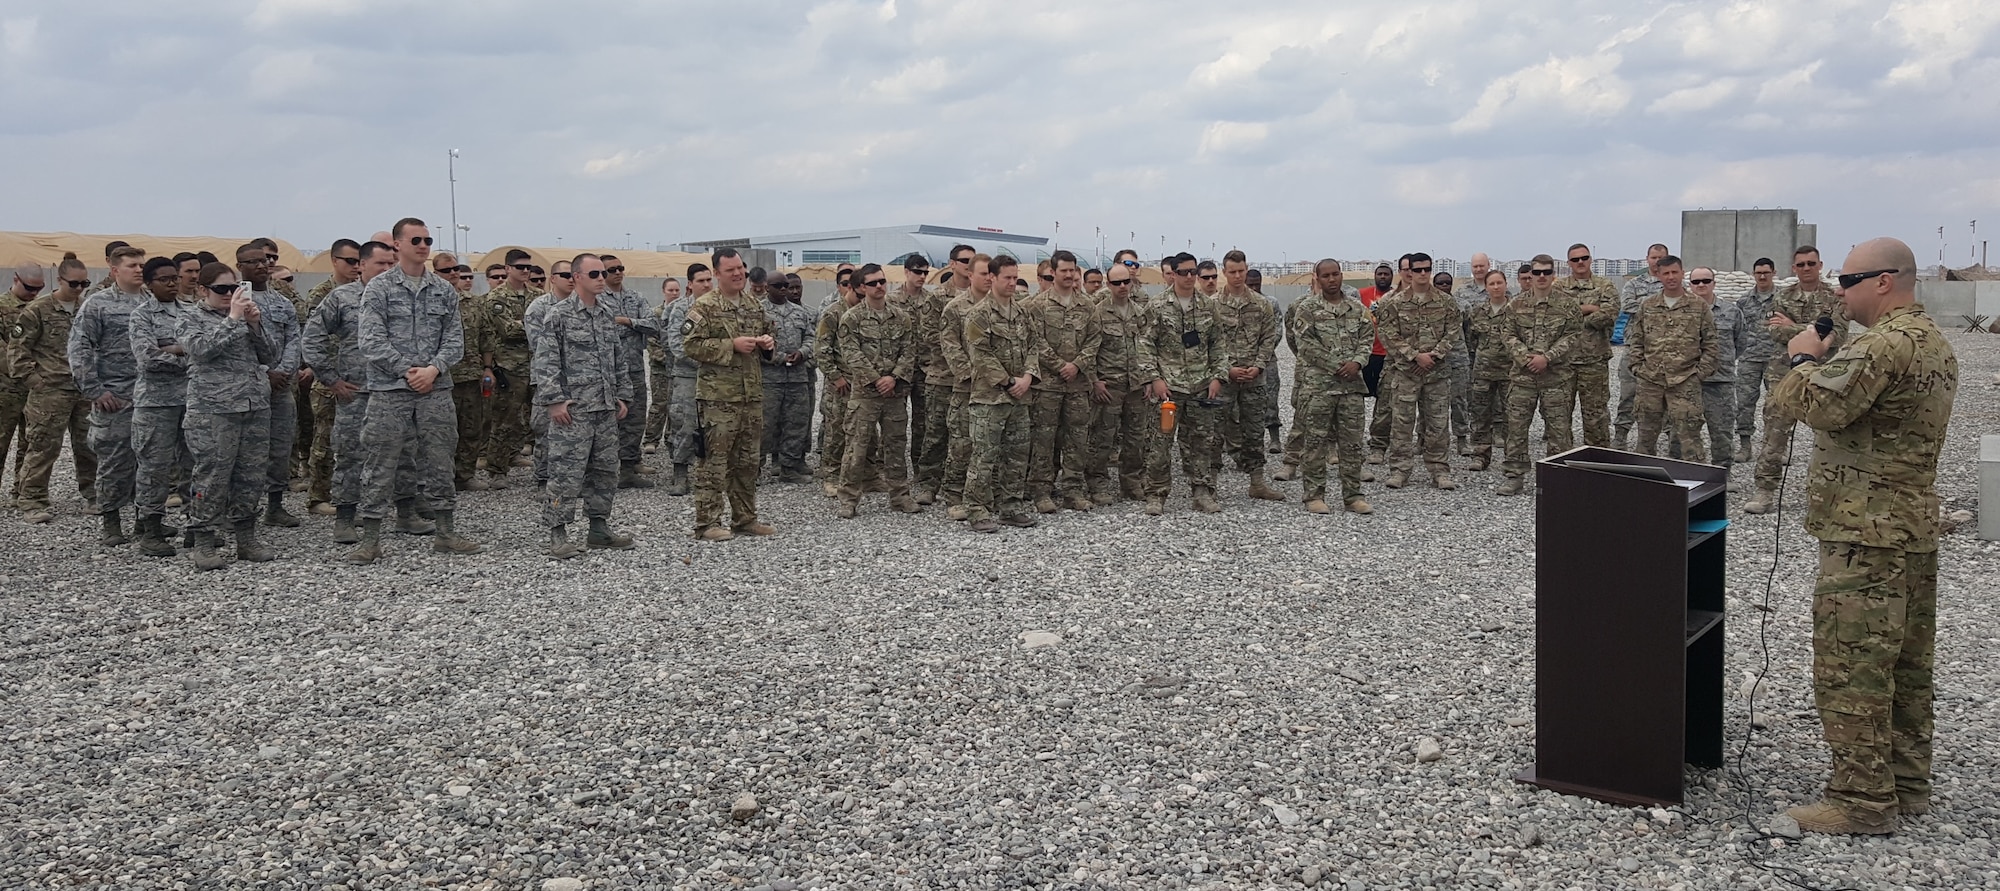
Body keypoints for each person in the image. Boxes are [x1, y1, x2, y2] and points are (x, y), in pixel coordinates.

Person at [1767, 237, 1956, 835]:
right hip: (1909, 528)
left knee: (1852, 666)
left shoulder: (1885, 343)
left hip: (1866, 532)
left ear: (1883, 282)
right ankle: (1904, 782)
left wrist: (1801, 357)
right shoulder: (1931, 341)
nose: (1837, 293)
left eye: (1847, 282)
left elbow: (1817, 405)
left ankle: (1861, 801)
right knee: (1904, 662)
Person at [347, 219, 483, 562]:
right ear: (397, 245)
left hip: (435, 389)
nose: (423, 246)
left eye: (428, 240)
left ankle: (445, 532)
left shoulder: (443, 290)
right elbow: (371, 341)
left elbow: (455, 341)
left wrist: (433, 369)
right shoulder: (378, 289)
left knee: (439, 458)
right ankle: (371, 539)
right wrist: (409, 372)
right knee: (381, 461)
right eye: (416, 240)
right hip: (390, 390)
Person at [302, 240, 408, 544]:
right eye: (380, 264)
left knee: (404, 453)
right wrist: (331, 378)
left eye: (391, 264)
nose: (387, 270)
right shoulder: (343, 298)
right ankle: (345, 518)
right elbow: (311, 338)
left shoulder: (401, 295)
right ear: (361, 265)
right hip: (357, 391)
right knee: (349, 454)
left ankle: (405, 512)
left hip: (396, 390)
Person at [531, 254, 636, 557]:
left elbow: (618, 358)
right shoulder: (558, 315)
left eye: (603, 273)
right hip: (573, 410)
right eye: (594, 274)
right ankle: (557, 533)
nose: (601, 278)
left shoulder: (605, 313)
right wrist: (553, 401)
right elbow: (546, 361)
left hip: (603, 408)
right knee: (565, 473)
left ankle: (599, 529)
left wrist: (622, 395)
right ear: (577, 277)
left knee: (605, 471)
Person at [178, 262, 279, 569]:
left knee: (251, 475)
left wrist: (255, 325)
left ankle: (246, 539)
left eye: (234, 288)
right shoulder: (190, 317)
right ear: (203, 290)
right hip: (213, 411)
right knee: (211, 476)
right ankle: (204, 541)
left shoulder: (245, 315)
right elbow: (200, 350)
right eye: (221, 290)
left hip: (253, 406)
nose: (229, 295)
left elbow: (270, 355)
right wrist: (233, 319)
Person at [1746, 245, 1848, 514]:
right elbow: (1774, 332)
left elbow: (1837, 334)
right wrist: (1814, 328)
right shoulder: (1783, 295)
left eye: (1810, 264)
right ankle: (1765, 490)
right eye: (1800, 264)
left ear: (1820, 265)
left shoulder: (1835, 297)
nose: (1806, 268)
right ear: (1793, 268)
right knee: (1774, 435)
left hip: (1825, 374)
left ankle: (1828, 495)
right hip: (1784, 374)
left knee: (1829, 436)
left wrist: (1793, 327)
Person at [682, 248, 775, 541]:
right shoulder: (705, 306)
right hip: (718, 398)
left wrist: (768, 345)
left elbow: (769, 337)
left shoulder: (754, 305)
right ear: (717, 274)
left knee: (748, 461)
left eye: (741, 269)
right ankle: (707, 523)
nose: (738, 274)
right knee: (714, 462)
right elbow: (690, 345)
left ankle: (745, 518)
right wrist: (730, 345)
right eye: (731, 270)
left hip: (751, 395)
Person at [70, 244, 148, 544]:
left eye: (141, 264)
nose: (139, 269)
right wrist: (94, 389)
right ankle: (112, 522)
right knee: (115, 461)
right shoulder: (98, 304)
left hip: (148, 396)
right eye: (132, 265)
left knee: (150, 461)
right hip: (114, 396)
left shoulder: (151, 302)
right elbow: (79, 348)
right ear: (115, 270)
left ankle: (146, 520)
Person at [13, 254, 97, 523]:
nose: (79, 288)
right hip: (50, 391)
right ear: (59, 280)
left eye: (85, 283)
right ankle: (32, 499)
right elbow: (18, 350)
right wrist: (34, 381)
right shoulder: (38, 310)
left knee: (89, 445)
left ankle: (94, 494)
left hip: (83, 389)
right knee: (43, 447)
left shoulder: (87, 309)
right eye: (74, 283)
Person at [1139, 253, 1223, 515]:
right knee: (1161, 443)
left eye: (1193, 272)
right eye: (1183, 272)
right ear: (1172, 274)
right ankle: (1156, 494)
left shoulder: (1208, 307)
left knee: (1201, 442)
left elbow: (1218, 344)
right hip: (1168, 388)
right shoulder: (1157, 306)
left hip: (1200, 386)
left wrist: (1217, 376)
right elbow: (1144, 344)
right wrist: (1154, 378)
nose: (1189, 277)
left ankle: (1201, 491)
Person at [1289, 259, 1375, 515]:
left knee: (1352, 444)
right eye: (1325, 275)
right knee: (1315, 443)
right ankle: (1314, 495)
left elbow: (1367, 339)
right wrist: (1338, 365)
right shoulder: (1307, 309)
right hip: (1319, 387)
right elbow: (1305, 345)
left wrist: (1358, 362)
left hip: (1351, 387)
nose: (1331, 279)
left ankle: (1353, 496)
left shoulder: (1357, 309)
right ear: (1317, 278)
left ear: (1341, 275)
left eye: (1335, 274)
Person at [833, 264, 920, 516]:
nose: (879, 286)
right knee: (857, 448)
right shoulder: (852, 318)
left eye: (882, 281)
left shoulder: (901, 317)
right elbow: (851, 354)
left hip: (893, 394)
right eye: (873, 283)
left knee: (895, 445)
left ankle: (900, 496)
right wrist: (875, 379)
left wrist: (892, 378)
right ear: (861, 287)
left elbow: (909, 350)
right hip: (865, 394)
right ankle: (848, 499)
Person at [961, 256, 1039, 532]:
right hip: (989, 399)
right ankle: (976, 509)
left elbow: (1033, 347)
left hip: (1019, 397)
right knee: (984, 456)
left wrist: (1028, 377)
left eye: (1015, 277)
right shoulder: (978, 315)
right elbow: (980, 355)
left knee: (1017, 454)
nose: (1011, 282)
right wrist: (1008, 382)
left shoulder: (1022, 313)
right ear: (992, 277)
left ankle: (1011, 506)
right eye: (1006, 277)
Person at [1373, 252, 1462, 490]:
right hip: (1406, 372)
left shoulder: (1445, 301)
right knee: (1402, 423)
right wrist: (1414, 356)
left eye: (1427, 269)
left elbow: (1453, 331)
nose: (1423, 273)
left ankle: (1439, 470)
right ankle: (1400, 470)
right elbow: (1388, 333)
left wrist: (1434, 355)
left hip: (1436, 373)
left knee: (1438, 423)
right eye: (1418, 269)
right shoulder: (1394, 302)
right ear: (1409, 271)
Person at [230, 243, 303, 528]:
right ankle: (238, 508)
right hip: (246, 388)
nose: (261, 266)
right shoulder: (233, 302)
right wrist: (264, 373)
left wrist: (284, 371)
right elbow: (236, 344)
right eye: (253, 262)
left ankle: (275, 505)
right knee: (243, 450)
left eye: (265, 261)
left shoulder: (282, 302)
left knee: (280, 447)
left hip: (281, 387)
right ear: (240, 266)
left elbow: (294, 338)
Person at [1023, 250, 1101, 512]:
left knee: (1077, 438)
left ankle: (1073, 490)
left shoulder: (1088, 305)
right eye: (1064, 270)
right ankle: (1041, 491)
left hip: (1078, 386)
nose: (1069, 275)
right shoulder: (1038, 305)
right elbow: (1035, 341)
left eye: (1072, 270)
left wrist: (1077, 365)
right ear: (1053, 272)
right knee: (1044, 438)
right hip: (1048, 386)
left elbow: (1094, 339)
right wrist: (1059, 366)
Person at [126, 256, 194, 555]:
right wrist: (184, 355)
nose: (171, 284)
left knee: (195, 465)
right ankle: (151, 529)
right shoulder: (142, 316)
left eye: (174, 278)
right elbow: (148, 358)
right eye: (163, 279)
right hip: (155, 404)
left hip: (191, 401)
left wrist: (177, 350)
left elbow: (202, 350)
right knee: (154, 469)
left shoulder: (191, 312)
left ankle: (198, 526)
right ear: (149, 283)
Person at [1497, 255, 1581, 495]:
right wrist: (1526, 357)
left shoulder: (1568, 305)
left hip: (1556, 378)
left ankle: (1557, 478)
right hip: (1523, 378)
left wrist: (1548, 357)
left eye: (1546, 272)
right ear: (1530, 275)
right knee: (1516, 428)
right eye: (1537, 272)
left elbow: (1574, 335)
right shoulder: (1515, 305)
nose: (1541, 277)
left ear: (1554, 274)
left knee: (1559, 430)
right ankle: (1514, 475)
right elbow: (1507, 334)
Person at [1626, 256, 1717, 461]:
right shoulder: (1647, 305)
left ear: (1682, 273)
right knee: (1646, 439)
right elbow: (1636, 340)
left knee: (1690, 439)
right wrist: (1637, 368)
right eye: (1666, 273)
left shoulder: (1698, 306)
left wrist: (1698, 374)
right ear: (1658, 275)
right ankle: (1646, 484)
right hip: (1650, 381)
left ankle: (1694, 485)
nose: (1671, 277)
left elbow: (1711, 344)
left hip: (1685, 381)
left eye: (1675, 272)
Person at [1211, 251, 1283, 500]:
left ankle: (1257, 483)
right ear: (1224, 273)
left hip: (1255, 378)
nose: (1238, 276)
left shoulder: (1261, 304)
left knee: (1254, 432)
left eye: (1241, 271)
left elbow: (1268, 337)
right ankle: (1209, 486)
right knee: (1215, 432)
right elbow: (1209, 342)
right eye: (1232, 272)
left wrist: (1259, 365)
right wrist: (1226, 368)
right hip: (1223, 379)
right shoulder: (1213, 304)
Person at [301, 239, 362, 512]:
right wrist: (327, 375)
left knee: (352, 442)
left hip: (355, 378)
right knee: (324, 440)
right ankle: (318, 496)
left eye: (359, 261)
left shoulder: (364, 292)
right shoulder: (323, 293)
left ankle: (351, 494)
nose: (355, 266)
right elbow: (312, 338)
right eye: (350, 261)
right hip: (329, 380)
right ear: (335, 261)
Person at [1086, 264, 1151, 504]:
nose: (1122, 287)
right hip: (1109, 386)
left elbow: (1147, 349)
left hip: (1136, 385)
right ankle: (1097, 483)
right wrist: (1094, 381)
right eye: (1116, 283)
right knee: (1102, 437)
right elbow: (1089, 349)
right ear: (1108, 284)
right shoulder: (1098, 313)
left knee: (1135, 438)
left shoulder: (1140, 313)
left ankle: (1131, 482)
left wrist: (1148, 379)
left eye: (1126, 282)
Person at [935, 253, 991, 519]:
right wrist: (971, 375)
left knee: (990, 445)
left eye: (992, 273)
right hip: (967, 387)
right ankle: (954, 494)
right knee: (961, 443)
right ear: (970, 275)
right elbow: (950, 346)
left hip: (995, 390)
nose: (989, 278)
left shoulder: (1003, 307)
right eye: (983, 273)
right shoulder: (956, 308)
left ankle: (984, 494)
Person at [480, 249, 540, 489]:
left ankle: (537, 466)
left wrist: (526, 324)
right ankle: (497, 469)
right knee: (506, 419)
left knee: (536, 420)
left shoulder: (538, 295)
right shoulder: (496, 298)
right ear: (507, 269)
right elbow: (508, 331)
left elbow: (549, 323)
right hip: (510, 367)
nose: (525, 271)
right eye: (519, 267)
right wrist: (532, 324)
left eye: (528, 267)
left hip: (536, 365)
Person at [596, 254, 657, 488]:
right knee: (608, 421)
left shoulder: (635, 297)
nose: (618, 273)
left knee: (635, 419)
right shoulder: (598, 300)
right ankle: (605, 470)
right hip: (607, 371)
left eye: (620, 268)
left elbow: (653, 325)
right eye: (611, 270)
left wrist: (627, 322)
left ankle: (629, 467)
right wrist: (633, 323)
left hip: (634, 369)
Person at [1553, 243, 1620, 448]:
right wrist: (1590, 308)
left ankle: (1598, 461)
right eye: (1575, 259)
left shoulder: (1605, 286)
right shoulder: (1558, 288)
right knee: (1559, 417)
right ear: (1569, 263)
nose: (1580, 262)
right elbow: (1556, 317)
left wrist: (1578, 314)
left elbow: (1609, 315)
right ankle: (1561, 462)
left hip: (1594, 361)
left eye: (1584, 258)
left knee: (1596, 416)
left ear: (1591, 259)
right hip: (1563, 362)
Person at [1691, 267, 1748, 486]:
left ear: (1714, 283)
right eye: (1696, 282)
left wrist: (1721, 363)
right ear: (1691, 285)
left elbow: (1740, 342)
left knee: (1722, 432)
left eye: (1706, 280)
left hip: (1720, 382)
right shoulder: (1682, 311)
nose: (1701, 285)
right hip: (1689, 382)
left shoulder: (1731, 312)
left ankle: (1723, 474)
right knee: (1683, 433)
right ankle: (1688, 474)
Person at [906, 255, 955, 504]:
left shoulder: (980, 297)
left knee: (931, 426)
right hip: (925, 372)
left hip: (952, 374)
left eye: (925, 272)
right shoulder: (936, 297)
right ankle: (924, 481)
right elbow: (929, 334)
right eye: (917, 271)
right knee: (929, 432)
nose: (922, 276)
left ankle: (946, 481)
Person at [448, 253, 498, 492]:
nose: (454, 275)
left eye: (457, 270)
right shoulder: (434, 301)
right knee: (444, 431)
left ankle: (464, 475)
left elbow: (486, 336)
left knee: (472, 427)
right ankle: (441, 478)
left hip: (471, 375)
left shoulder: (474, 303)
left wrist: (487, 368)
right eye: (448, 270)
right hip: (441, 378)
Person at [760, 272, 817, 484]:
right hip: (769, 379)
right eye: (778, 285)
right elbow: (757, 344)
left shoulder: (799, 312)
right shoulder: (758, 311)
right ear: (767, 287)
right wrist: (781, 358)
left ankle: (789, 467)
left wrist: (802, 353)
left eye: (786, 285)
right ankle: (755, 468)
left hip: (797, 377)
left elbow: (811, 337)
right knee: (764, 425)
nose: (784, 289)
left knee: (796, 423)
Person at [1614, 243, 1670, 448]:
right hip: (1635, 347)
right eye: (1653, 257)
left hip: (1663, 349)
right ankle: (1620, 437)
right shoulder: (1634, 283)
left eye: (1660, 257)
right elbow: (1627, 305)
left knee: (1665, 397)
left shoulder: (1672, 284)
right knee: (1628, 394)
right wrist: (1657, 301)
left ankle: (1668, 439)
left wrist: (1646, 303)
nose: (1657, 261)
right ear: (1647, 259)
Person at [661, 263, 711, 495]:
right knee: (686, 424)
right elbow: (677, 345)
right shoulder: (681, 309)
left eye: (709, 280)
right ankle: (680, 472)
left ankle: (711, 472)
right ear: (690, 284)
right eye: (701, 281)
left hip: (717, 378)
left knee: (715, 424)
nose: (707, 285)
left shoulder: (718, 307)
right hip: (688, 376)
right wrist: (705, 362)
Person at [812, 267, 861, 496]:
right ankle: (831, 475)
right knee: (836, 430)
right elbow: (822, 349)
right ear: (848, 288)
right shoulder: (833, 313)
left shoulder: (866, 311)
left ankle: (862, 474)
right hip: (841, 382)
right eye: (859, 294)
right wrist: (835, 377)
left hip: (862, 382)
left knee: (862, 430)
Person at [1, 261, 45, 503]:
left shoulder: (42, 308)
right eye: (29, 287)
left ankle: (23, 491)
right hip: (6, 388)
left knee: (30, 443)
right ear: (16, 279)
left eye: (39, 289)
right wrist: (24, 371)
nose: (34, 293)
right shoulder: (1, 307)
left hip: (35, 388)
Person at [1463, 269, 1514, 472]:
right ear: (1486, 287)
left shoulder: (1516, 310)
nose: (1495, 287)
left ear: (1505, 284)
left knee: (1513, 415)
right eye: (1491, 284)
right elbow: (1471, 339)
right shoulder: (1477, 312)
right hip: (1483, 371)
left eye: (1499, 283)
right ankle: (1480, 455)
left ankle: (1512, 457)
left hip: (1510, 372)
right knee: (1480, 415)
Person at [1734, 257, 1781, 462]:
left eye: (1766, 272)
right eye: (1758, 273)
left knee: (1777, 405)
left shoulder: (1783, 299)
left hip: (1776, 359)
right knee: (1744, 403)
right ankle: (1745, 446)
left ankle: (1775, 448)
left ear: (1773, 273)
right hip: (1749, 359)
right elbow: (1737, 330)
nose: (1762, 276)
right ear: (1753, 274)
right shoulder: (1744, 301)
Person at [1356, 262, 1394, 474]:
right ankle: (1354, 443)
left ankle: (1378, 444)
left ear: (1391, 277)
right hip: (1365, 355)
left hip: (1386, 355)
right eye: (1379, 274)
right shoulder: (1362, 294)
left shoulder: (1396, 297)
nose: (1382, 277)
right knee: (1357, 399)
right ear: (1374, 276)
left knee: (1384, 403)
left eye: (1386, 274)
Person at [643, 277, 683, 453]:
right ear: (663, 291)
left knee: (676, 405)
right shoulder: (655, 313)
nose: (674, 294)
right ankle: (651, 439)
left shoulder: (684, 312)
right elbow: (652, 342)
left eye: (676, 290)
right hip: (661, 369)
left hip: (679, 369)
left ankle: (671, 439)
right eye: (670, 290)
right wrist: (668, 359)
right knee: (659, 404)